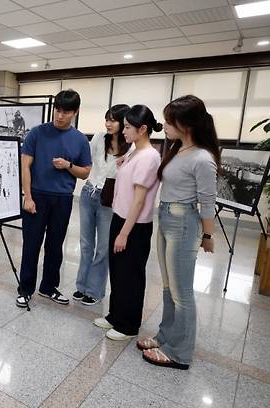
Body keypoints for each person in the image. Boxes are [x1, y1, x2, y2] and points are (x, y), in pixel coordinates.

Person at [139, 95, 219, 370]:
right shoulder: (177, 149)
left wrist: (208, 236)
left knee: (181, 292)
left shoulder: (202, 158)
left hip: (183, 222)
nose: (164, 125)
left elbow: (208, 202)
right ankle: (166, 336)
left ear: (185, 124)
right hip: (167, 217)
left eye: (169, 121)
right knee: (167, 287)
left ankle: (180, 352)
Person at [16, 89, 92, 308]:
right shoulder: (37, 133)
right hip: (37, 196)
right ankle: (25, 288)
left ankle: (48, 287)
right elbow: (25, 166)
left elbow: (85, 172)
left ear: (75, 112)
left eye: (66, 112)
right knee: (31, 244)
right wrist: (27, 197)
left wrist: (68, 166)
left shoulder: (79, 140)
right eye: (57, 110)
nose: (60, 116)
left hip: (63, 199)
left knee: (55, 245)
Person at [93, 105, 163, 340]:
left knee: (131, 275)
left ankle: (128, 325)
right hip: (120, 217)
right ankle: (115, 315)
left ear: (143, 129)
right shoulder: (135, 152)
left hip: (134, 226)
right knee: (118, 271)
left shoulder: (149, 157)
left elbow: (139, 202)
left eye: (127, 127)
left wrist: (124, 233)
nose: (123, 131)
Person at [74, 104, 131, 306]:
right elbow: (87, 161)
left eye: (113, 120)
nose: (108, 123)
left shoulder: (130, 147)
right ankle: (81, 286)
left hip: (110, 200)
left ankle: (95, 290)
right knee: (86, 244)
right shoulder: (99, 137)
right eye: (107, 119)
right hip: (89, 193)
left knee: (103, 247)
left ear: (124, 122)